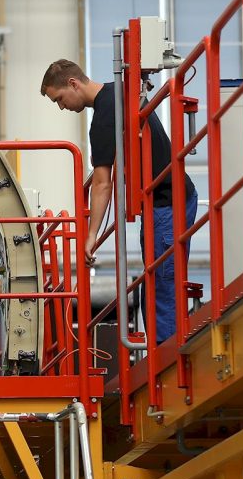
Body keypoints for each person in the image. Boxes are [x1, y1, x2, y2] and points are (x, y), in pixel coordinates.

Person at [40, 59, 198, 345]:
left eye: (59, 99)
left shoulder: (103, 118)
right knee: (156, 281)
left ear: (73, 83)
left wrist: (90, 237)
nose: (62, 107)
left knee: (162, 283)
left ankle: (168, 358)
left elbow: (102, 183)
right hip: (171, 197)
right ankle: (163, 350)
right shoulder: (120, 91)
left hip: (166, 203)